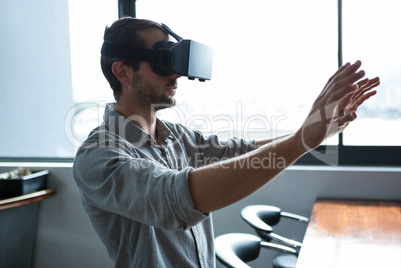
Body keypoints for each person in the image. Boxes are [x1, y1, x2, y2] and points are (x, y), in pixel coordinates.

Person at [72, 17, 380, 268]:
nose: (176, 74)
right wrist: (301, 140)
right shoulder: (98, 156)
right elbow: (173, 199)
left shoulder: (177, 136)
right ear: (122, 71)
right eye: (164, 61)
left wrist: (313, 134)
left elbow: (245, 153)